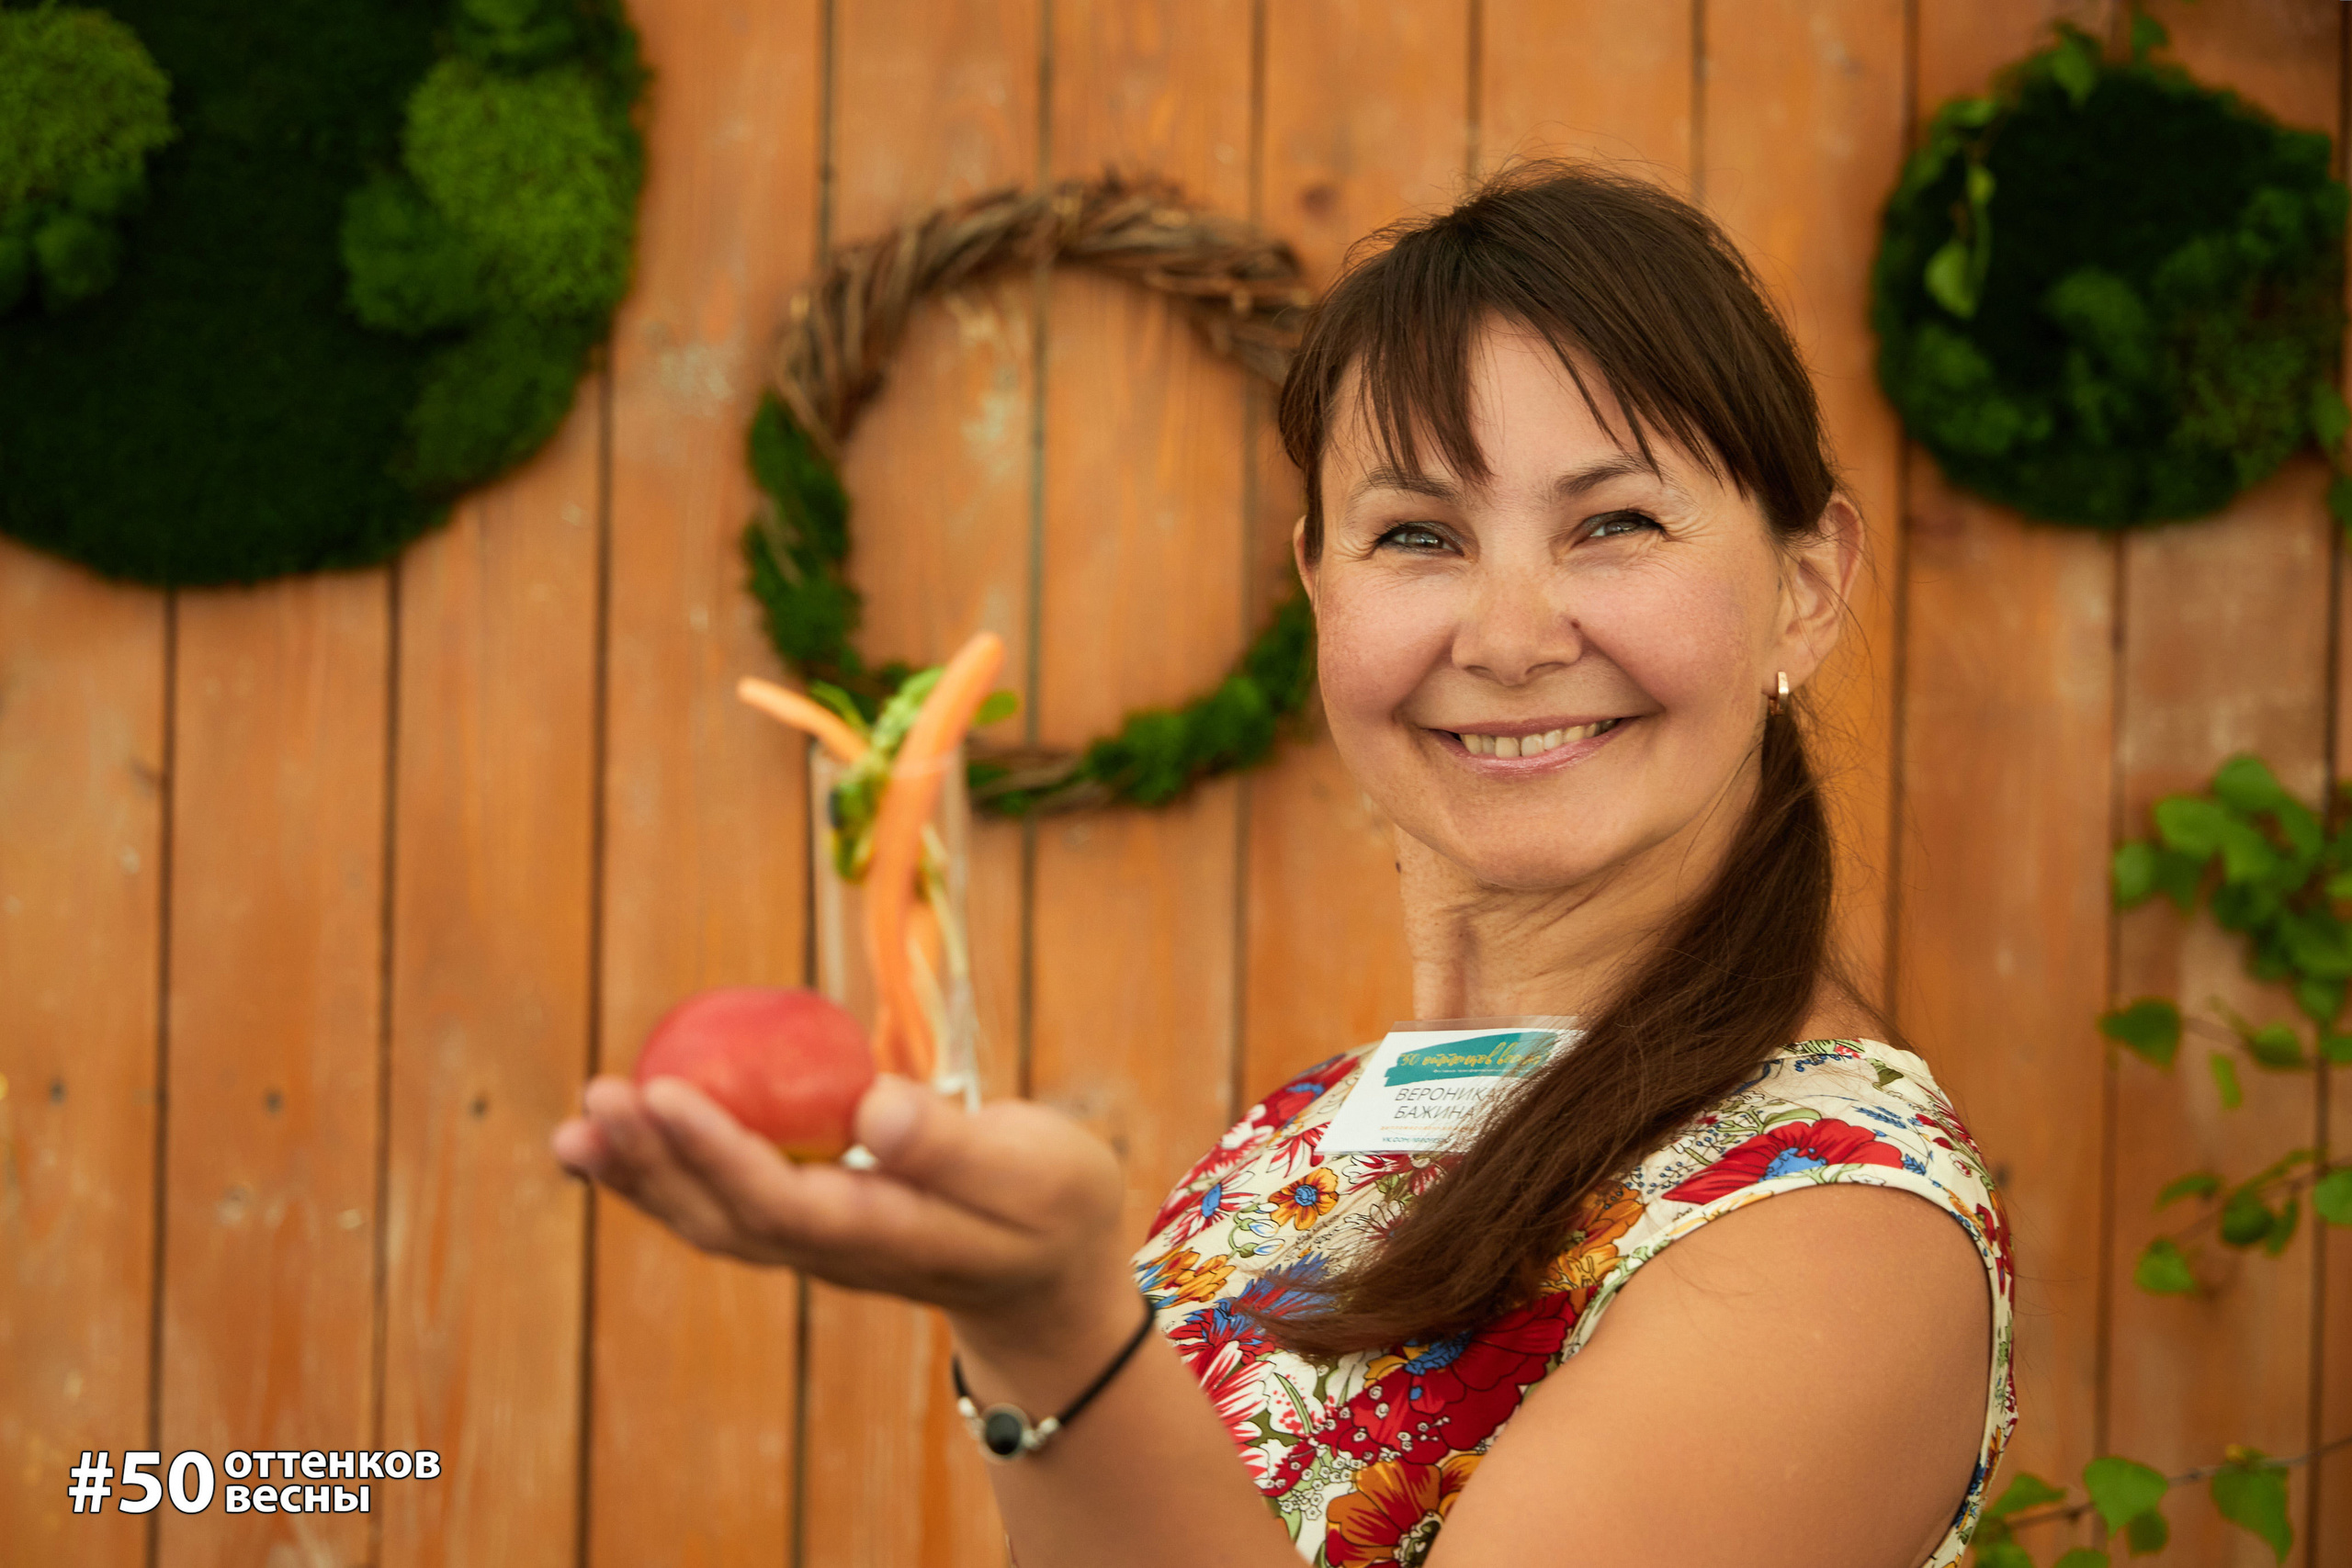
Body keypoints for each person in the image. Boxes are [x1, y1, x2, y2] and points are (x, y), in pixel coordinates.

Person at [551, 162, 2013, 1568]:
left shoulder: (1832, 1224)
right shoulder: (1298, 1139)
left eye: (1614, 524)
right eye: (1419, 534)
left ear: (1807, 590)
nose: (1506, 638)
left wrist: (1054, 1326)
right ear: (1319, 582)